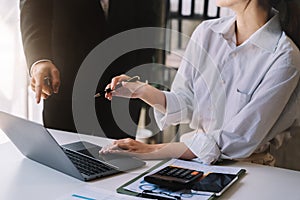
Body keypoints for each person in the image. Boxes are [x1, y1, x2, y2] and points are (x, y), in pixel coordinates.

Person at [100, 0, 300, 165]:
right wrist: (141, 91)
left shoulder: (284, 57)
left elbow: (236, 140)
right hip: (198, 162)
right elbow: (187, 101)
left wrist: (151, 150)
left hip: (251, 171)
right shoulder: (206, 33)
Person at [20, 0, 165, 138]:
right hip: (66, 87)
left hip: (124, 91)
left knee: (120, 161)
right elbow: (34, 8)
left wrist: (138, 71)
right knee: (62, 160)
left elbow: (149, 17)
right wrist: (39, 60)